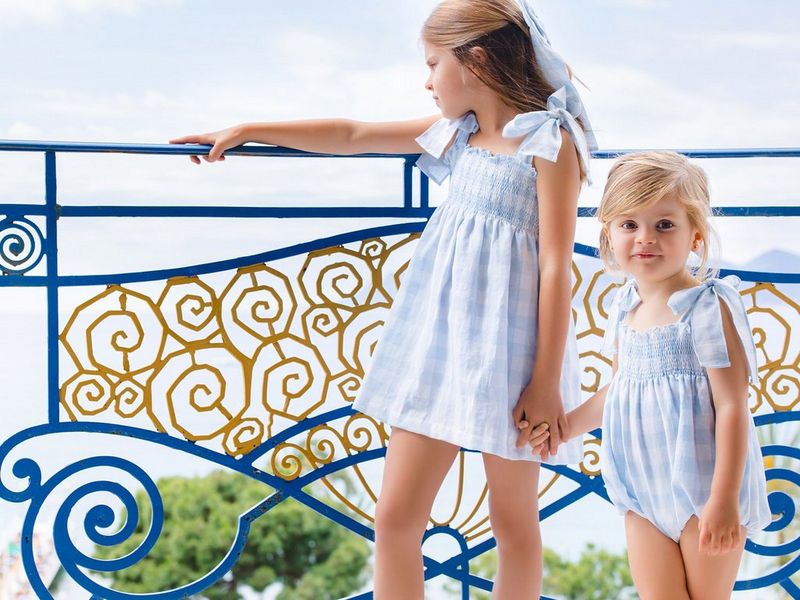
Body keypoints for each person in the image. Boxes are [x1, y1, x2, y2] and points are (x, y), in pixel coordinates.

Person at [170, 1, 597, 597]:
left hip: (517, 355)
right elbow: (352, 134)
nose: (427, 81)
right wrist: (246, 130)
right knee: (395, 519)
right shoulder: (460, 133)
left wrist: (545, 383)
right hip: (438, 350)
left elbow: (555, 265)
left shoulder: (548, 140)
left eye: (433, 64)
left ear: (475, 62)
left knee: (512, 523)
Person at [556, 151, 771, 599]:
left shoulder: (708, 306)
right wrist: (564, 428)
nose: (645, 238)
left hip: (704, 489)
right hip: (641, 490)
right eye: (629, 224)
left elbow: (732, 405)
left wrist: (723, 499)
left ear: (696, 235)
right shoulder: (625, 306)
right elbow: (619, 389)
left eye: (665, 224)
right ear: (609, 234)